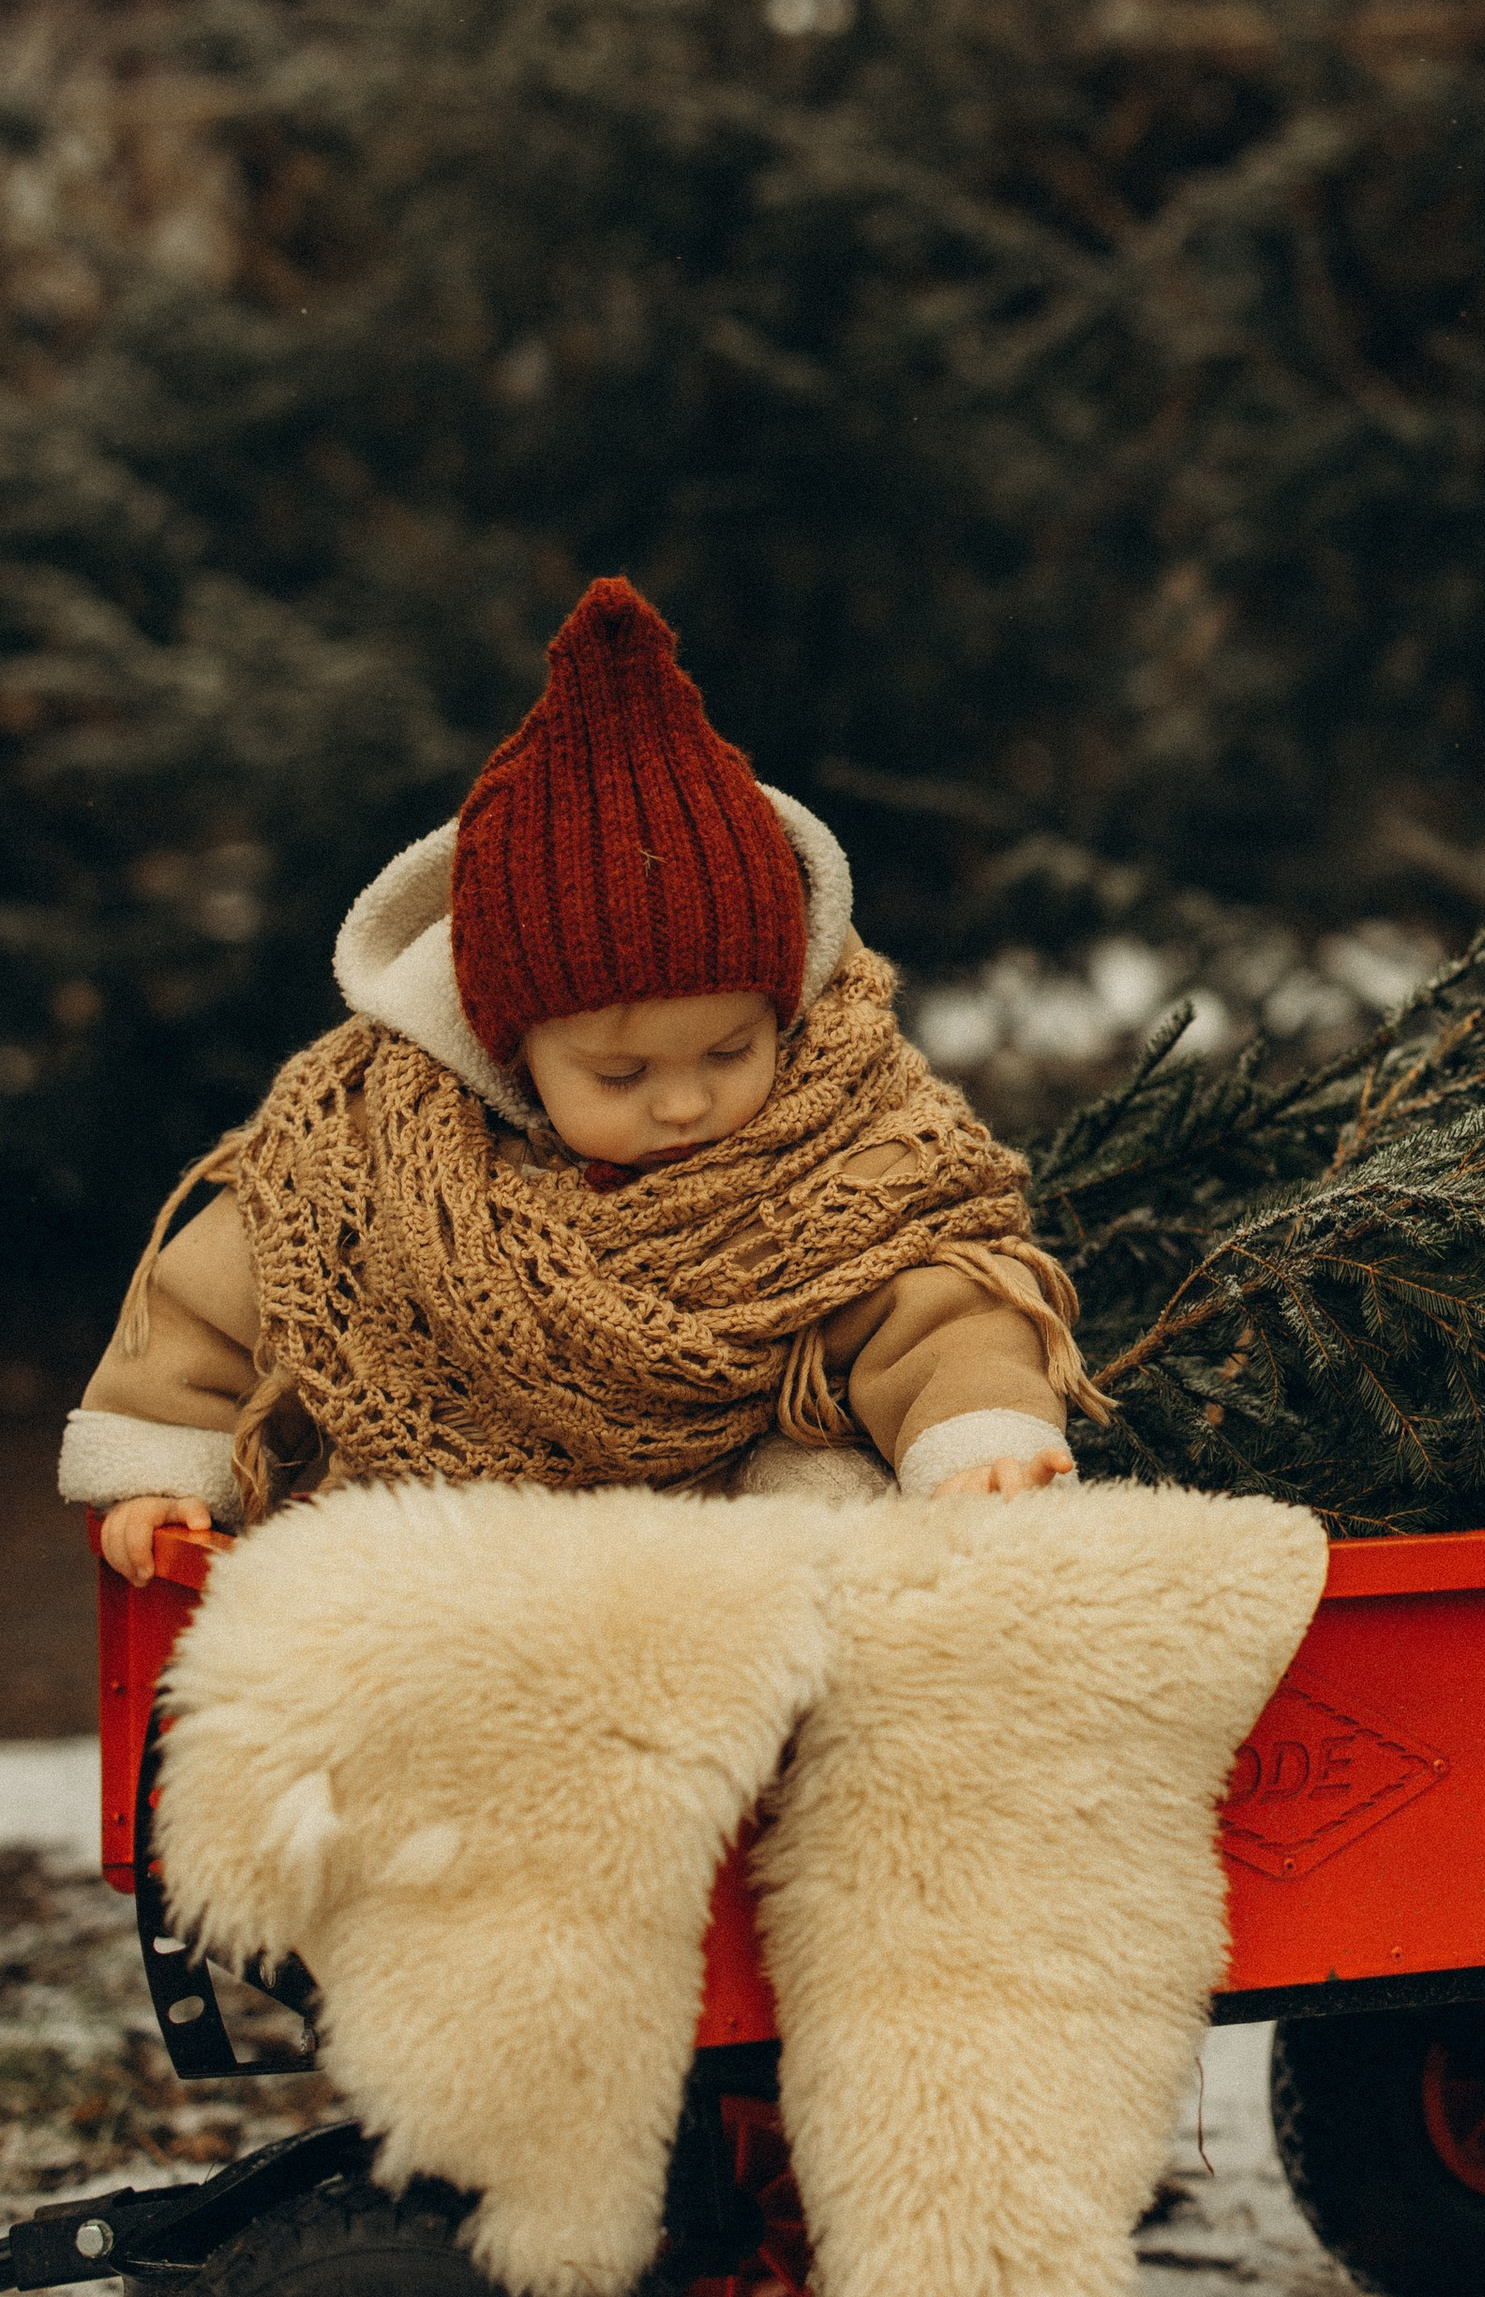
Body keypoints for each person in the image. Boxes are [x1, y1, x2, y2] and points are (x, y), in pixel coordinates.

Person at [64, 579, 1097, 1583]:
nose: (686, 1101)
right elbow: (222, 1302)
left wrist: (973, 1438)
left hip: (737, 1535)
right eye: (620, 1072)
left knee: (839, 1530)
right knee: (357, 1583)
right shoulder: (368, 1170)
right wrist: (166, 1467)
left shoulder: (840, 1153)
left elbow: (939, 1306)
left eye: (731, 1051)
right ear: (507, 1050)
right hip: (465, 1532)